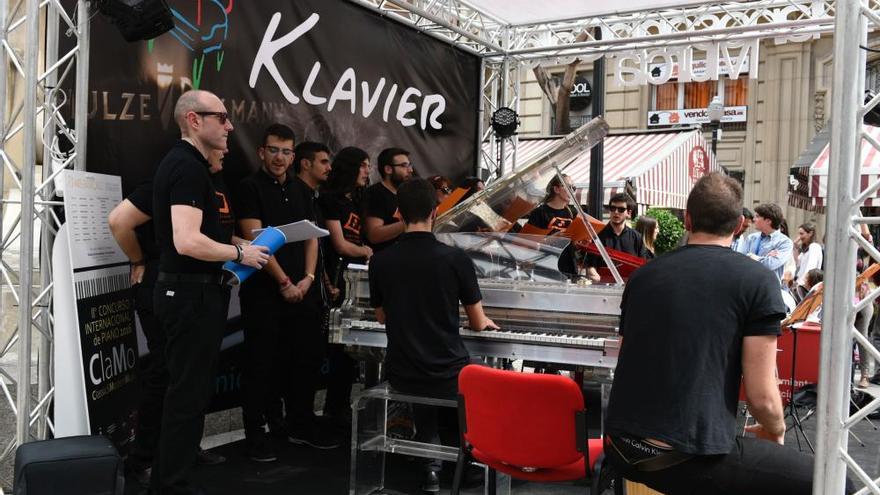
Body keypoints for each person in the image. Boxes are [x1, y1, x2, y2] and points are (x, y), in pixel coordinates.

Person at [604, 172, 851, 495]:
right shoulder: (756, 281)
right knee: (836, 484)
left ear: (688, 220)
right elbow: (762, 397)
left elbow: (627, 357)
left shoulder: (643, 276)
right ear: (738, 226)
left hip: (620, 445)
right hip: (686, 457)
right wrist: (775, 431)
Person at [150, 89, 269, 494]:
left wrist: (242, 247)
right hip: (188, 296)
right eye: (221, 117)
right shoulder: (185, 166)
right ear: (194, 120)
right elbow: (186, 241)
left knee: (190, 392)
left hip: (199, 294)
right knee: (186, 395)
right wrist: (239, 251)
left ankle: (174, 478)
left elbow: (203, 235)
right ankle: (171, 485)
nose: (230, 125)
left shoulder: (196, 167)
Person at [109, 150, 234, 485]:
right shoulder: (176, 176)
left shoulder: (206, 182)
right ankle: (145, 458)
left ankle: (179, 450)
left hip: (193, 288)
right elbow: (119, 221)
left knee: (188, 378)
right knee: (167, 373)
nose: (225, 148)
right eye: (220, 142)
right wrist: (139, 261)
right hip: (162, 285)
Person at [369, 178, 498, 493]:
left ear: (398, 213)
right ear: (436, 212)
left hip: (401, 371)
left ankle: (431, 469)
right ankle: (469, 467)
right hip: (446, 373)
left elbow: (382, 315)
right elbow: (478, 322)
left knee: (422, 372)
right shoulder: (455, 259)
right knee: (480, 369)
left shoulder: (380, 261)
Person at [237, 131, 338, 461]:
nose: (279, 158)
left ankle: (300, 425)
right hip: (264, 293)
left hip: (303, 292)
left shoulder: (301, 190)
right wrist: (283, 282)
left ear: (294, 157)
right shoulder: (249, 188)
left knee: (304, 363)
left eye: (286, 152)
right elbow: (256, 242)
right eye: (273, 151)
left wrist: (307, 279)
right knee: (260, 365)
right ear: (261, 151)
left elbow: (312, 237)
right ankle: (257, 433)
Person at [319, 146, 373, 424]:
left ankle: (340, 407)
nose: (367, 171)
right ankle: (331, 410)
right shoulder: (331, 200)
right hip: (333, 282)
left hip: (354, 285)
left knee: (348, 354)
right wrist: (365, 251)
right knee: (335, 352)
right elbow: (339, 244)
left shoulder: (358, 200)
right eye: (363, 165)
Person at [586, 192, 648, 282]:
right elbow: (590, 264)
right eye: (612, 208)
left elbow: (642, 265)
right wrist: (593, 273)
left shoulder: (637, 237)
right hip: (603, 287)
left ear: (629, 213)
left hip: (628, 287)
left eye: (621, 209)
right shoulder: (597, 235)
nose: (616, 212)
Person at [362, 147, 412, 253]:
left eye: (409, 165)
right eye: (404, 166)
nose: (410, 170)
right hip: (382, 261)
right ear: (388, 169)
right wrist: (411, 222)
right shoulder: (376, 193)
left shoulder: (405, 195)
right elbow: (373, 235)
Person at [743, 203, 793, 285]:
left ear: (768, 221)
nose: (754, 219)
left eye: (757, 216)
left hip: (769, 288)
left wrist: (754, 257)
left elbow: (770, 265)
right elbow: (742, 261)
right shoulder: (751, 238)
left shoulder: (785, 242)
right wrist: (765, 258)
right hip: (749, 286)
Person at [794, 222, 823, 301]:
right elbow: (797, 263)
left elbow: (811, 267)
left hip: (806, 285)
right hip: (802, 283)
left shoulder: (814, 247)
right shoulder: (806, 249)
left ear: (810, 233)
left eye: (802, 234)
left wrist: (801, 283)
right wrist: (795, 247)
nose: (800, 237)